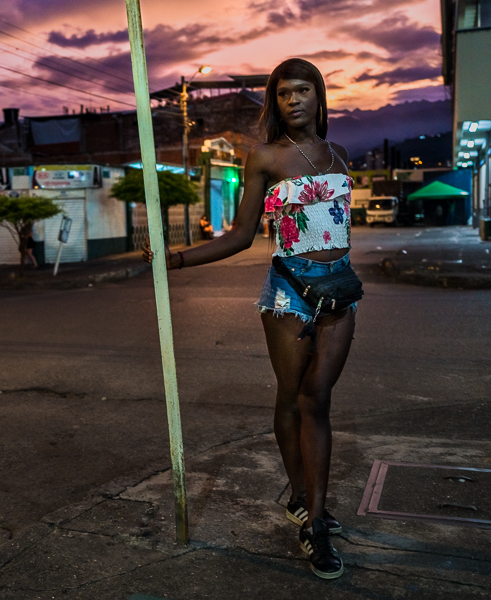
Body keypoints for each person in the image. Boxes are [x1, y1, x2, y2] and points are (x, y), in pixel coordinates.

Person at [144, 58, 355, 580]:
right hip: (289, 291)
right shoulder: (262, 158)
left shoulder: (341, 155)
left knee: (318, 398)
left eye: (303, 90)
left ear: (319, 95)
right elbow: (240, 236)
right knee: (293, 397)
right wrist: (174, 259)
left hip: (341, 292)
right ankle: (307, 510)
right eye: (284, 94)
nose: (294, 101)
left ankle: (315, 511)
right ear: (275, 102)